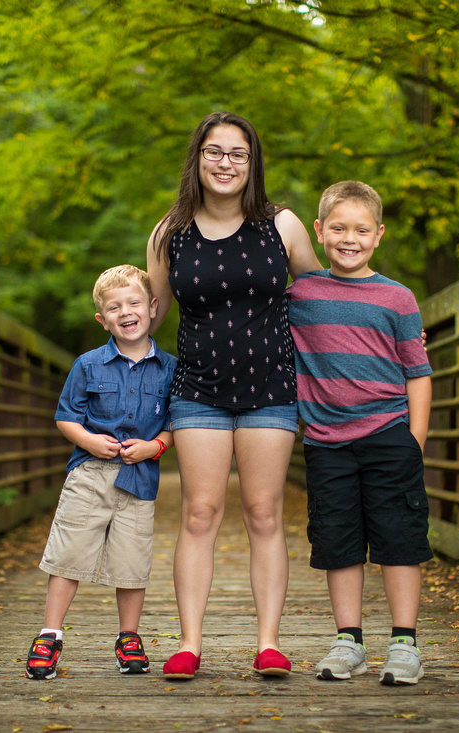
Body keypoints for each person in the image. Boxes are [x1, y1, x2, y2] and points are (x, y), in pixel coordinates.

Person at [146, 111, 322, 679]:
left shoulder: (283, 225)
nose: (226, 163)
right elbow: (148, 317)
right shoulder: (168, 232)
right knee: (200, 513)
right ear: (197, 158)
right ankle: (190, 644)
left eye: (238, 154)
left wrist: (388, 325)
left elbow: (321, 298)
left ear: (252, 163)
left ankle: (269, 643)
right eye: (215, 152)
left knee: (264, 512)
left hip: (271, 388)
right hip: (198, 390)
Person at [288, 180, 433, 685]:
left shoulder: (397, 298)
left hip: (388, 433)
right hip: (326, 440)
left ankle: (404, 643)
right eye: (339, 228)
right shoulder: (298, 295)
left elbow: (418, 371)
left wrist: (415, 439)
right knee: (338, 540)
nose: (350, 238)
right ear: (319, 232)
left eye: (361, 230)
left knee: (399, 537)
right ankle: (348, 640)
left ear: (379, 235)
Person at [26, 264, 177, 680]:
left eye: (133, 303)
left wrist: (155, 445)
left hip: (139, 479)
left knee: (132, 562)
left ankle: (128, 636)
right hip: (90, 474)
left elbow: (176, 424)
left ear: (151, 307)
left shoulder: (170, 369)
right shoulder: (88, 365)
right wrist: (89, 440)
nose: (125, 312)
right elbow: (66, 417)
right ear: (102, 318)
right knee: (68, 553)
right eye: (114, 307)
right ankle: (50, 633)